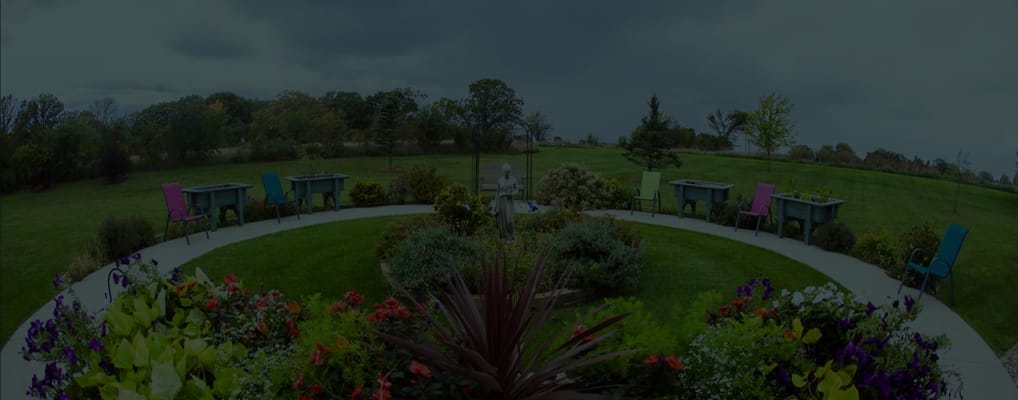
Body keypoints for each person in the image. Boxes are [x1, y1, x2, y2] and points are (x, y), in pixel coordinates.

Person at [494, 163, 518, 242]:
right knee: (502, 220)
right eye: (505, 172)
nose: (506, 173)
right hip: (501, 201)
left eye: (508, 172)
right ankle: (505, 236)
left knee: (509, 220)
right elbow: (497, 193)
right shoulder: (500, 180)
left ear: (509, 171)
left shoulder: (513, 179)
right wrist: (495, 206)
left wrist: (509, 194)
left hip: (509, 201)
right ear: (503, 171)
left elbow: (516, 190)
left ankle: (512, 236)